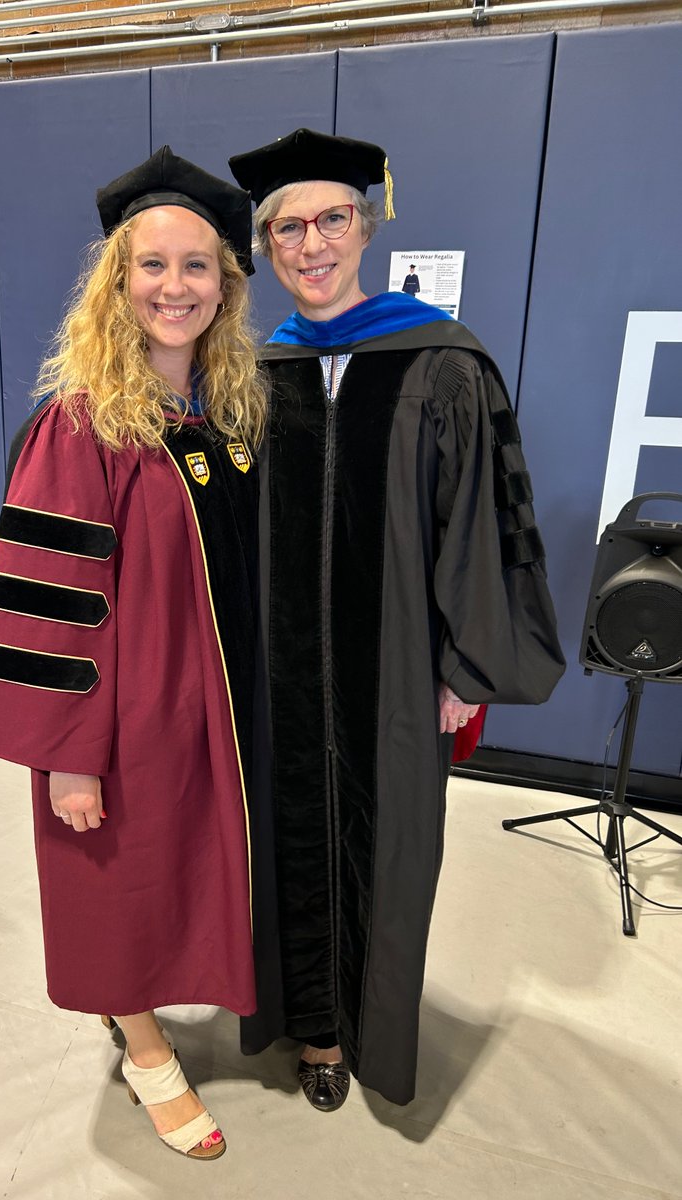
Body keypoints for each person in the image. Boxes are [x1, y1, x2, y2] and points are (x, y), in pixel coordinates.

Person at [228, 128, 565, 1110]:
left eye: (331, 218)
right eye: (287, 227)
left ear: (366, 225)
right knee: (282, 841)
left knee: (390, 851)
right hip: (278, 681)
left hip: (401, 677)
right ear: (268, 246)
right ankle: (317, 1035)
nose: (311, 242)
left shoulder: (443, 362)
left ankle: (371, 1029)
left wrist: (467, 663)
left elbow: (483, 521)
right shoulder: (253, 376)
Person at [0, 146, 266, 1160]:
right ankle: (145, 1052)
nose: (174, 288)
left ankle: (174, 1004)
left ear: (224, 288)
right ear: (117, 285)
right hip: (121, 714)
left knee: (189, 865)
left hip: (208, 706)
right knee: (119, 877)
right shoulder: (82, 426)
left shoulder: (227, 417)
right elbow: (52, 604)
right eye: (152, 266)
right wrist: (67, 755)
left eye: (197, 268)